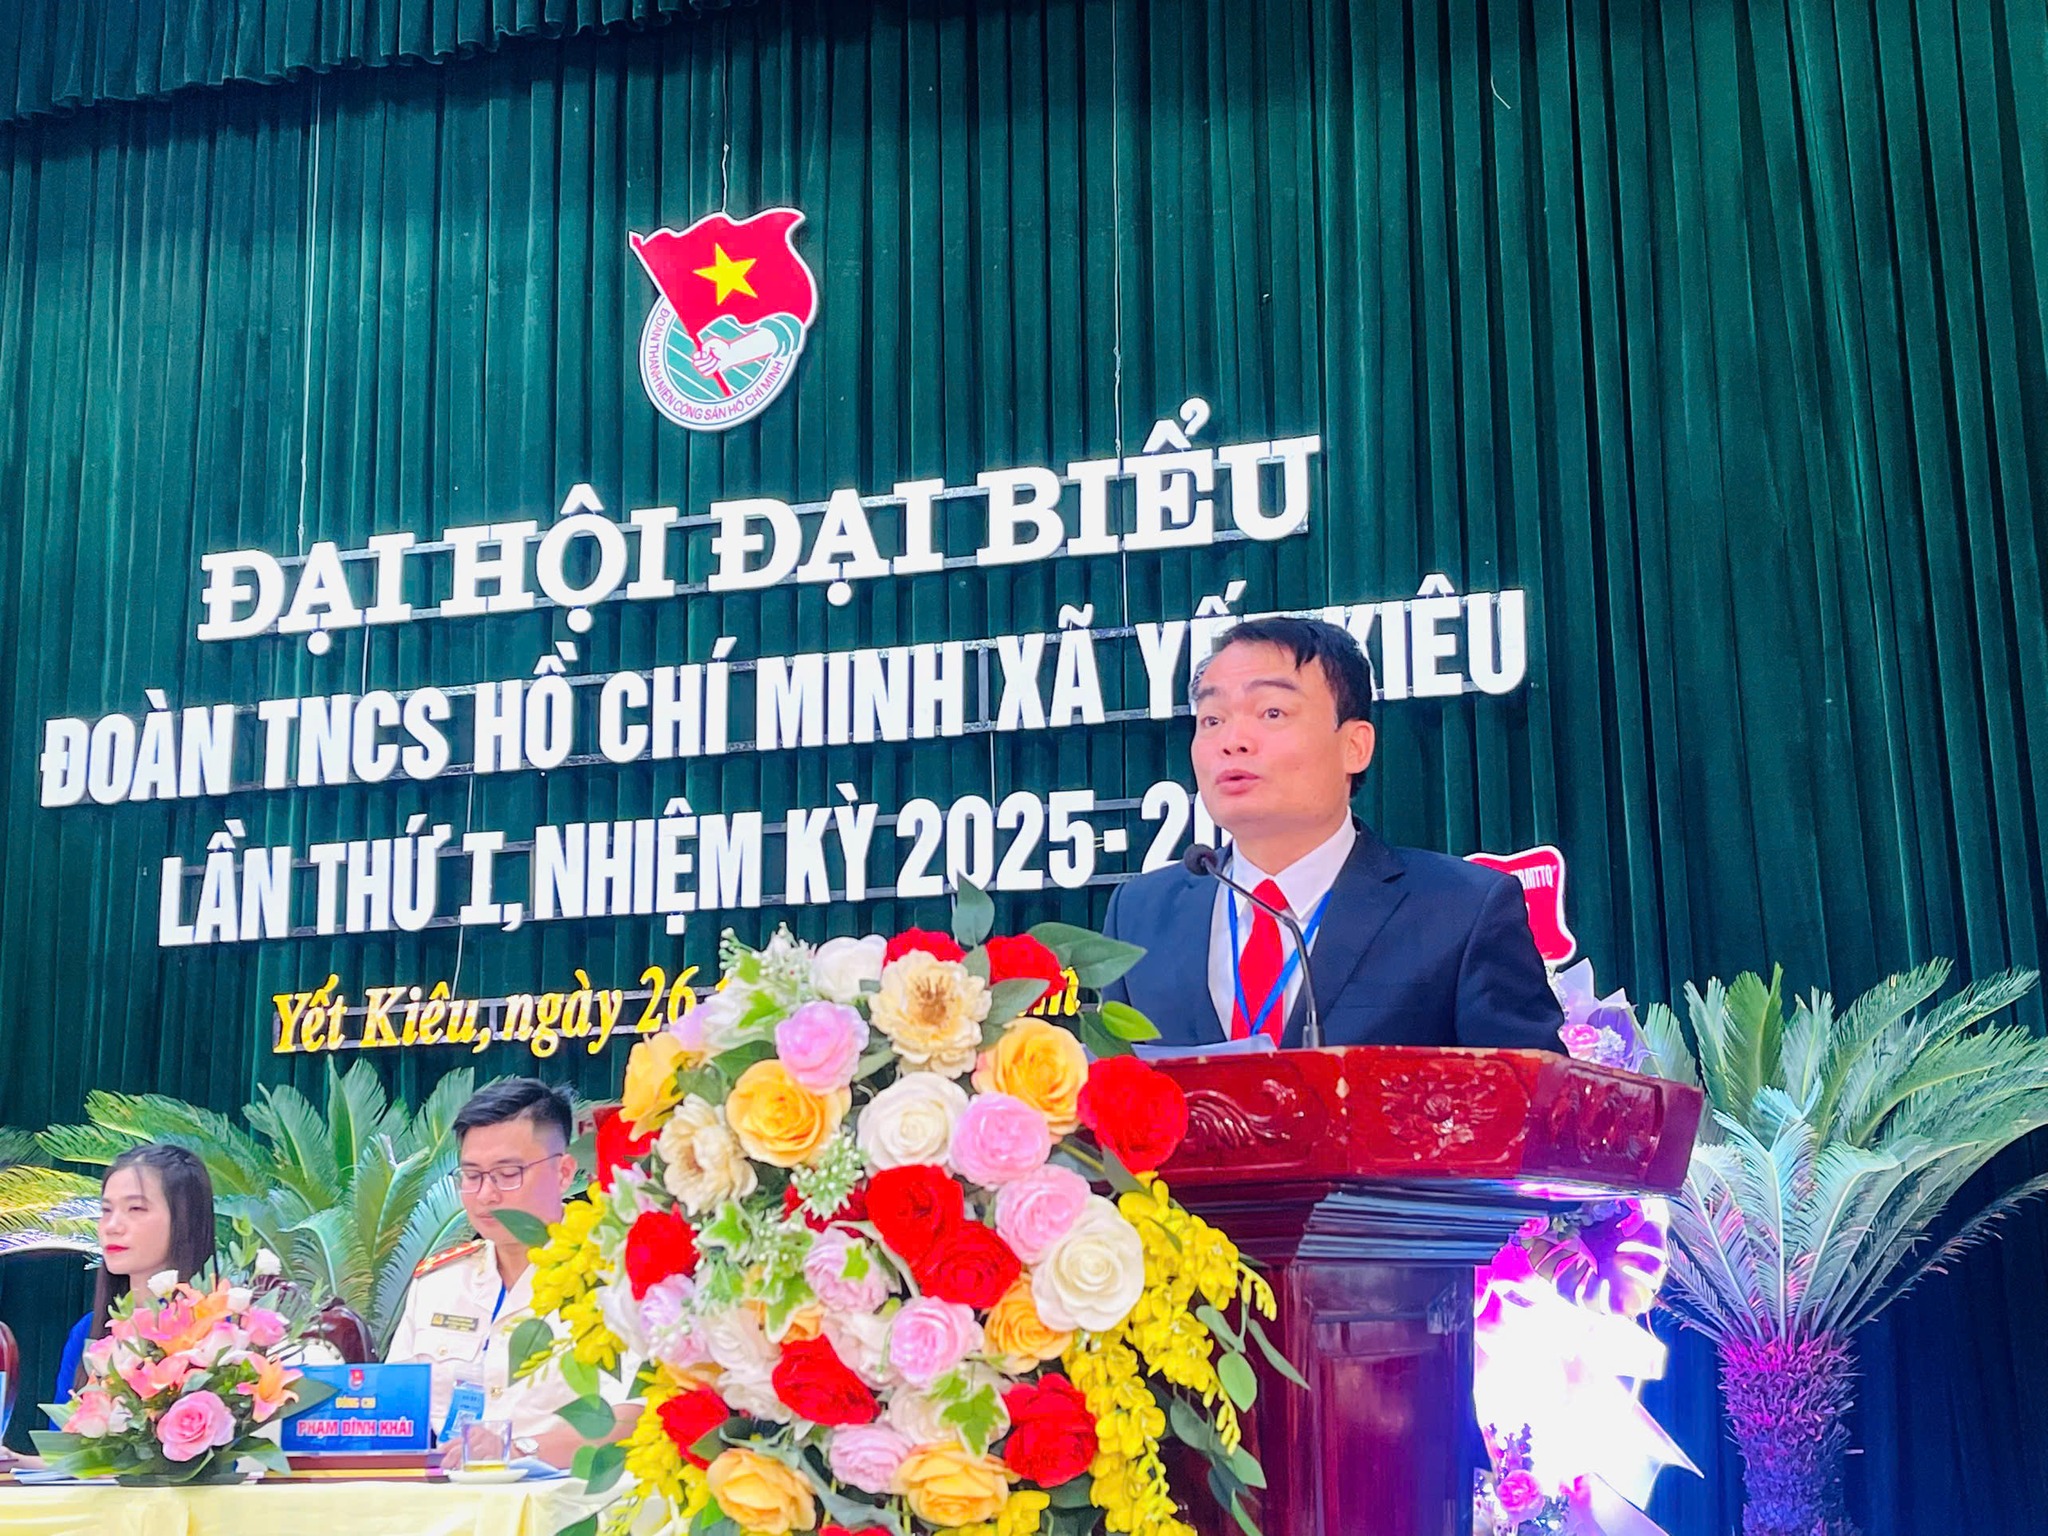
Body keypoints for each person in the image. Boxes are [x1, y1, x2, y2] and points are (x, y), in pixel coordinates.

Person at [1103, 615, 1564, 1050]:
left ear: (1355, 746)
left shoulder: (1461, 910)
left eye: (1272, 712)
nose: (1232, 741)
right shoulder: (1139, 916)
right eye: (1212, 720)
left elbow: (1535, 1097)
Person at [385, 1079, 633, 1467]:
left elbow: (634, 1414)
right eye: (472, 1175)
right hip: (442, 1496)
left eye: (508, 1173)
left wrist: (518, 1449)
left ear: (564, 1173)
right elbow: (393, 1410)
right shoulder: (437, 1284)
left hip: (559, 1495)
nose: (487, 1195)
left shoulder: (615, 1278)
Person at [53, 1144, 219, 1401]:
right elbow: (63, 1426)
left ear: (185, 1219)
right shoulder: (87, 1332)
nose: (112, 1226)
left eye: (136, 1209)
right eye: (106, 1210)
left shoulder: (226, 1330)